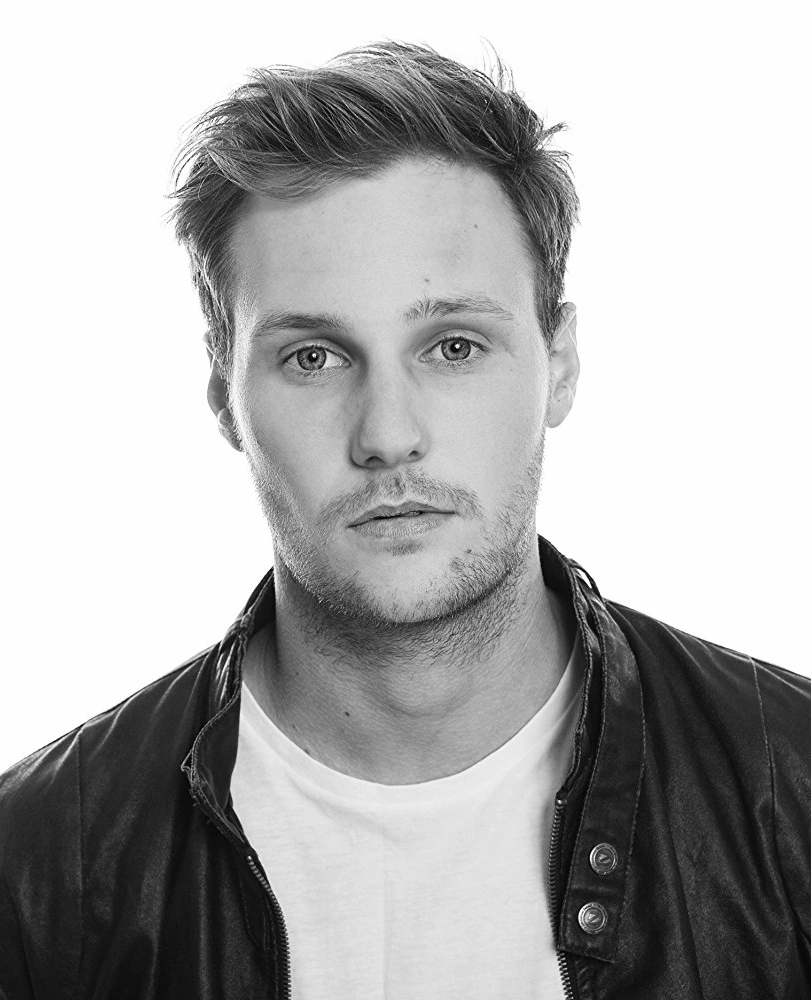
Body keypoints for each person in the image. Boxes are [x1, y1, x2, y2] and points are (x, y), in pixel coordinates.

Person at [0, 40, 809, 1000]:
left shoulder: (792, 794)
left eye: (453, 346)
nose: (387, 436)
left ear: (558, 363)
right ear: (223, 394)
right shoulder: (37, 864)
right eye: (312, 357)